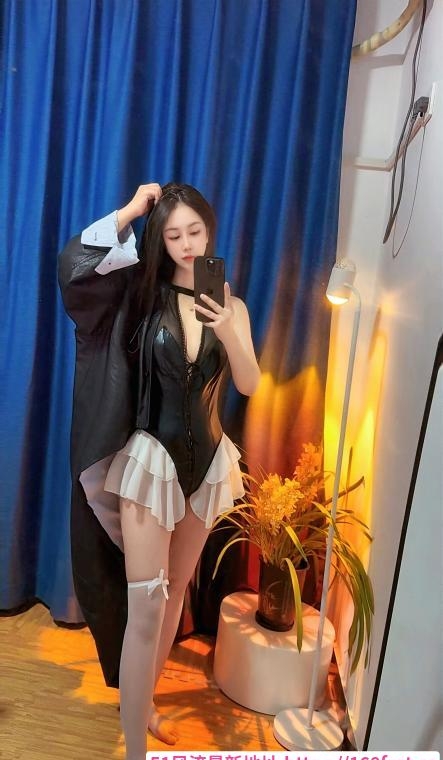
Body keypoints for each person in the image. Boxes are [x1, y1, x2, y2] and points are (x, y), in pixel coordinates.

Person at [58, 182, 260, 760]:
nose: (187, 244)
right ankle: (133, 751)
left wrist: (230, 330)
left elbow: (249, 383)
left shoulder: (231, 305)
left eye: (195, 231)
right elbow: (75, 270)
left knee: (173, 602)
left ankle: (144, 704)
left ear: (210, 231)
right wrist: (129, 212)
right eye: (173, 235)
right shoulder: (138, 295)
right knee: (146, 604)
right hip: (151, 464)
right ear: (160, 241)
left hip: (209, 466)